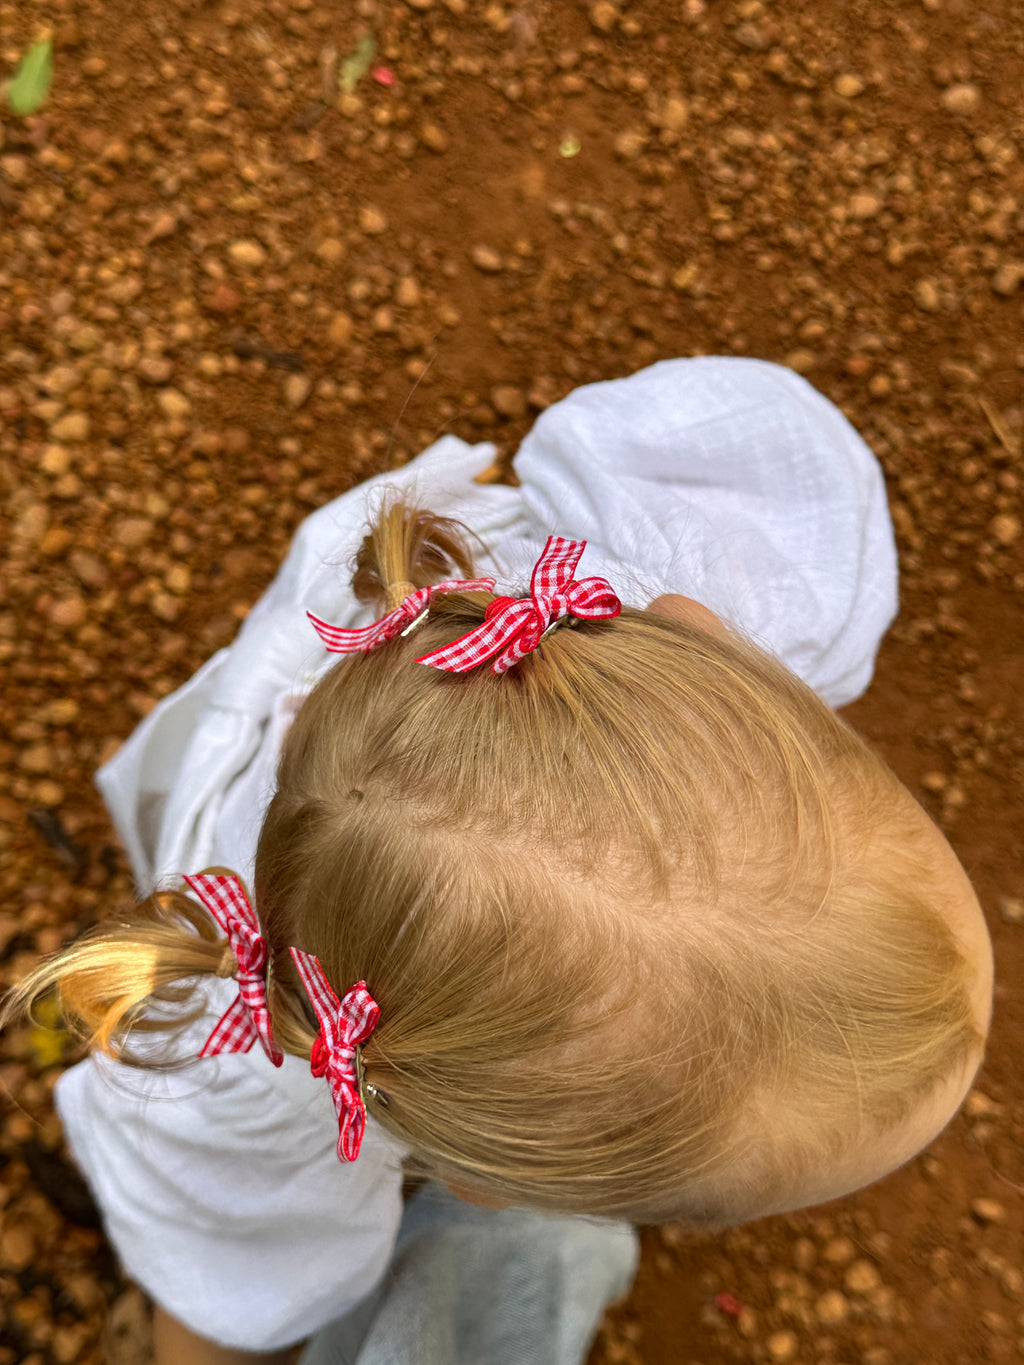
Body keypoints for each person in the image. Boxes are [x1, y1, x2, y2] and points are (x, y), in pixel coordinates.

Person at [4, 357, 993, 1365]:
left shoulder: (688, 591)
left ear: (715, 638)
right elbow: (214, 1267)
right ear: (473, 1183)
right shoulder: (258, 1084)